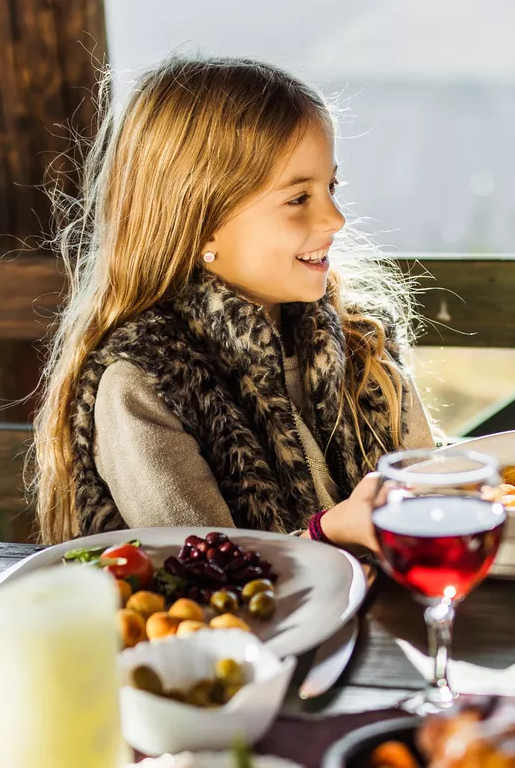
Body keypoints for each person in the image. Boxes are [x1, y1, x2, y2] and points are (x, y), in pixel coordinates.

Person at [29, 56, 438, 550]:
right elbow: (203, 570)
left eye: (331, 187)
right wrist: (325, 535)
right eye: (297, 198)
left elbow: (432, 493)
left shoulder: (360, 341)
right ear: (199, 219)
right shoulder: (146, 383)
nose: (335, 219)